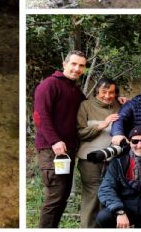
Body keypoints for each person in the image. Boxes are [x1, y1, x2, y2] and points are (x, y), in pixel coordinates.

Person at [32, 51, 89, 228]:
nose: (77, 68)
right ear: (64, 64)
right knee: (55, 196)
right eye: (73, 64)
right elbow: (40, 116)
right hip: (52, 150)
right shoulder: (49, 85)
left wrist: (117, 99)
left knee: (62, 196)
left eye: (81, 66)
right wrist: (54, 141)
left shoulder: (74, 89)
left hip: (68, 151)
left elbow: (89, 106)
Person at [76, 78, 122, 228]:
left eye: (111, 92)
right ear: (97, 91)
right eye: (104, 92)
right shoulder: (86, 106)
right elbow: (79, 133)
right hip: (89, 160)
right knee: (94, 195)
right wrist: (100, 126)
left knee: (111, 195)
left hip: (115, 159)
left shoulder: (119, 105)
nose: (107, 96)